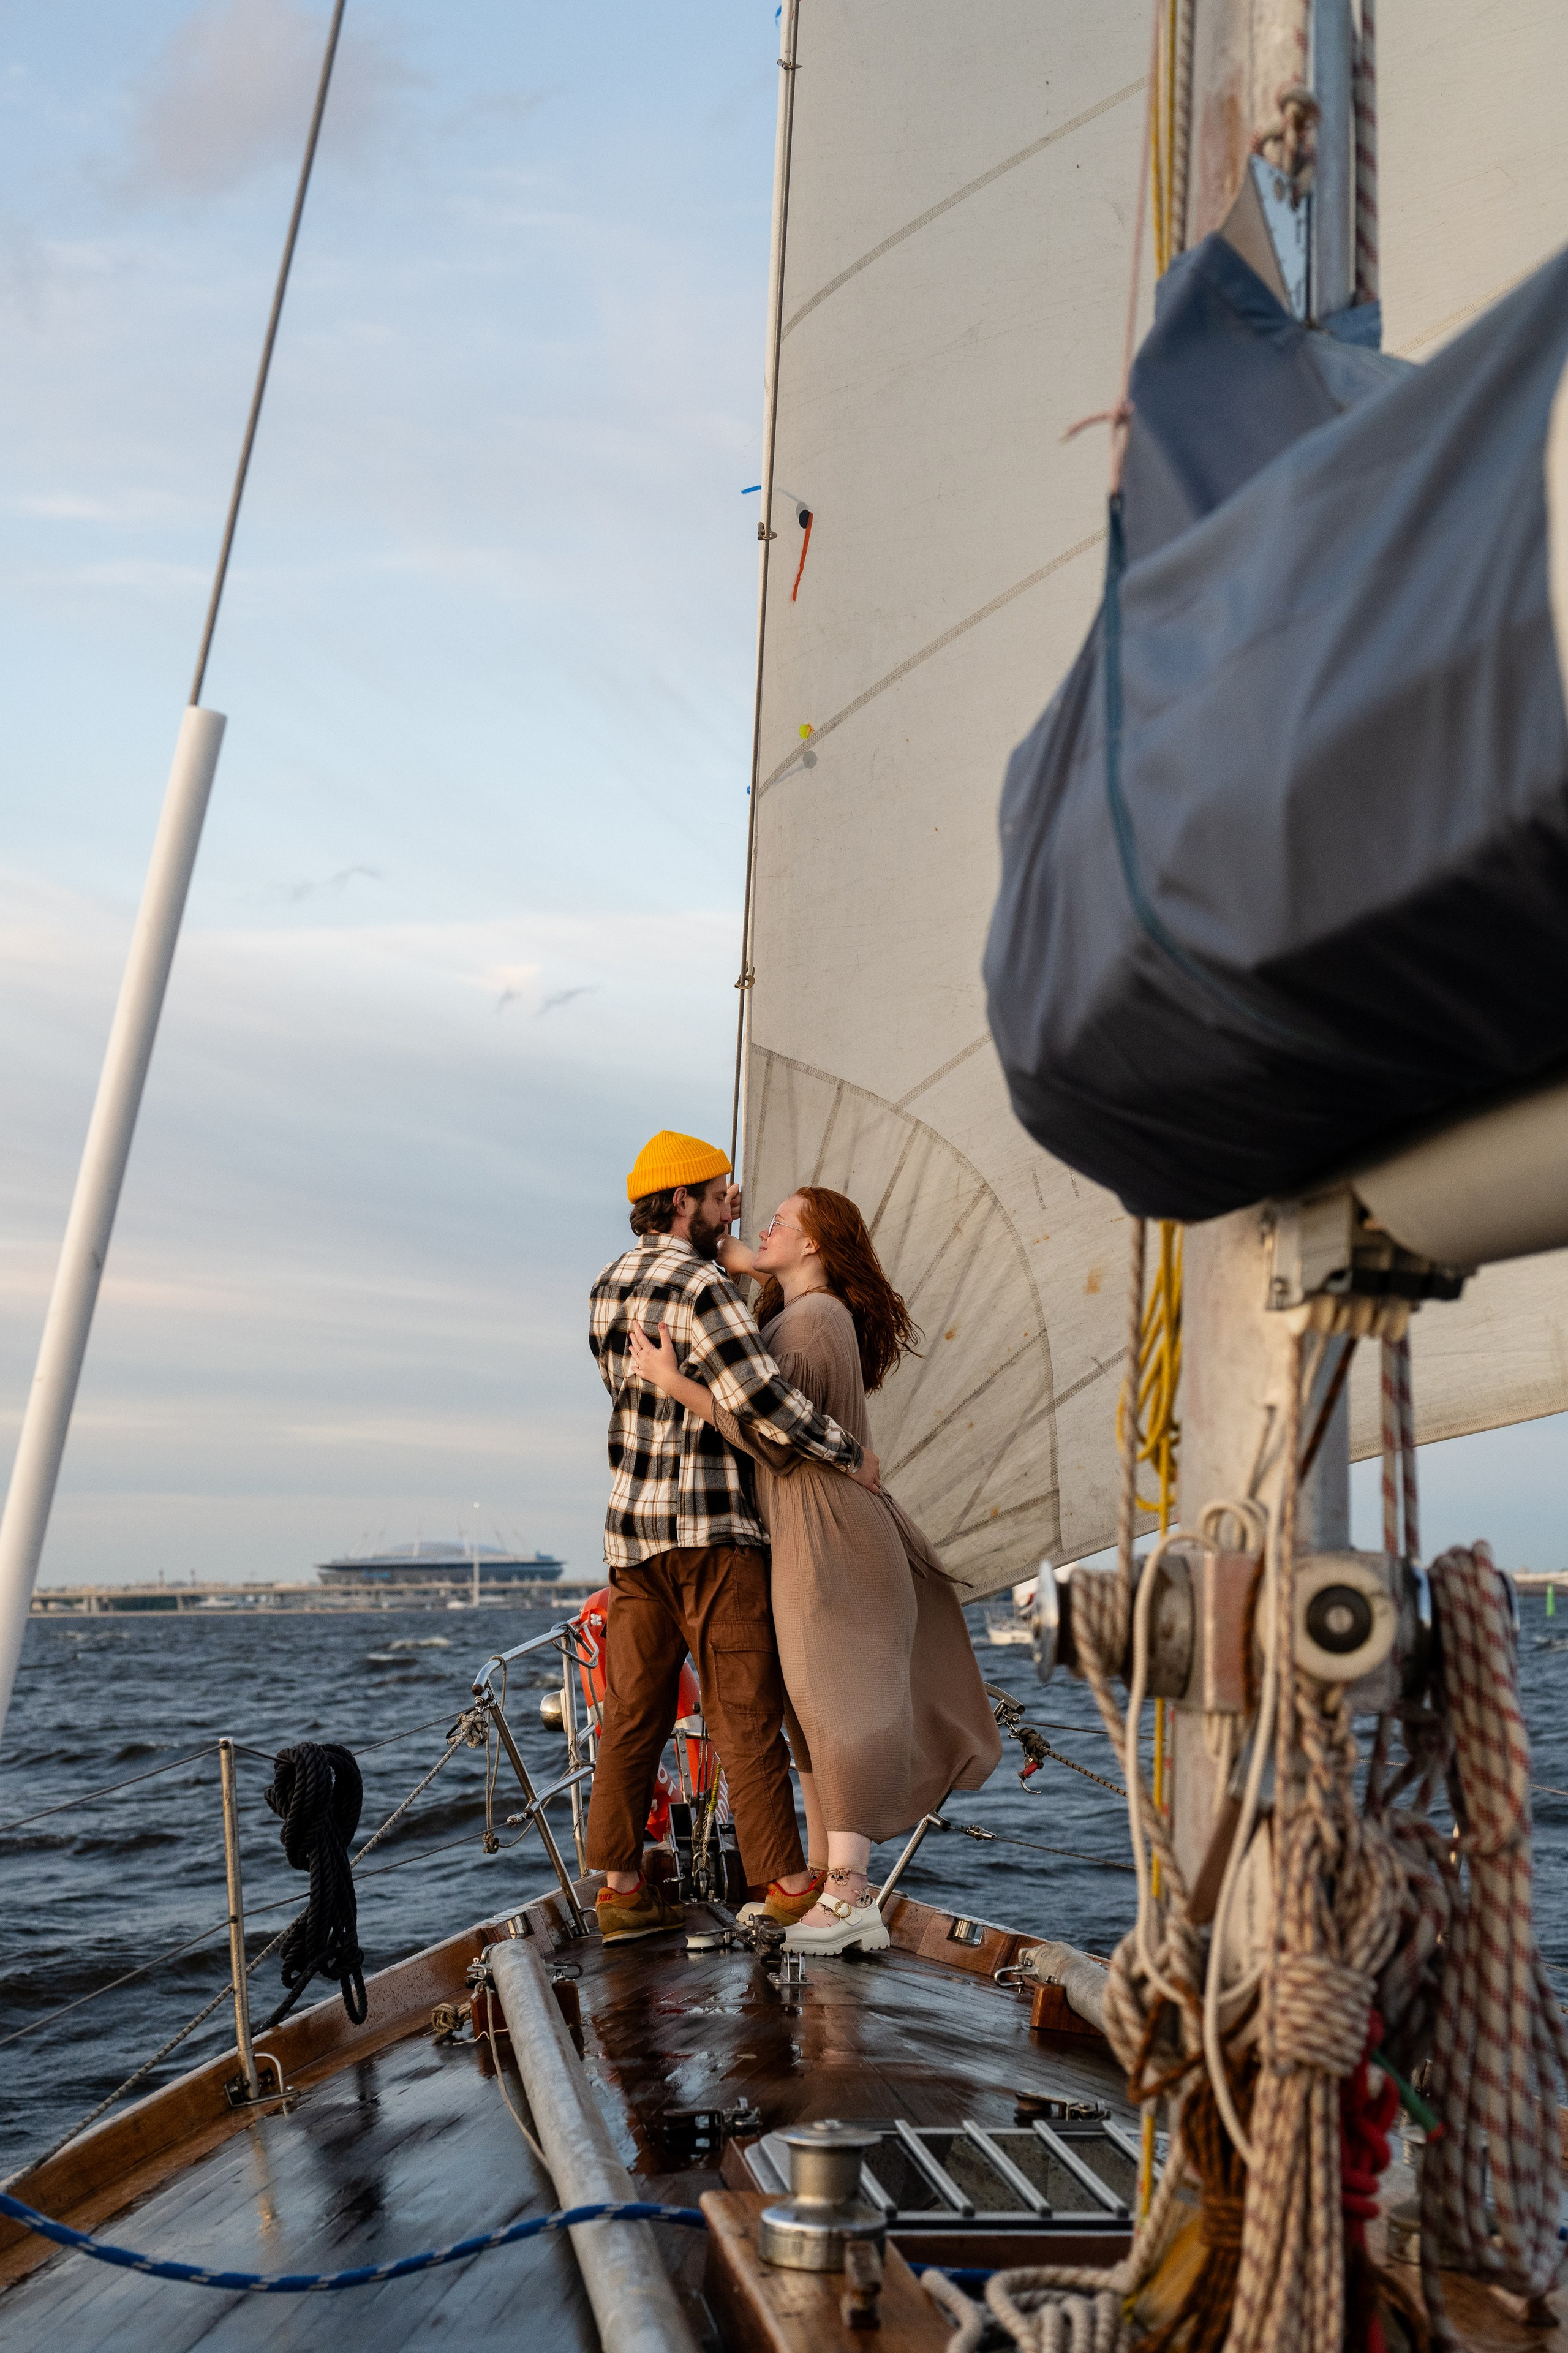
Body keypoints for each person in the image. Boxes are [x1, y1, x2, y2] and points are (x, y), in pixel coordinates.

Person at [630, 1184, 1002, 1955]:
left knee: (842, 1709)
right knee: (804, 1716)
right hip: (805, 1532)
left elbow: (772, 1435)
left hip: (832, 1535)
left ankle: (849, 1898)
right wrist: (713, 1218)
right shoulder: (790, 1312)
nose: (762, 1226)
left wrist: (675, 1386)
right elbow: (731, 1256)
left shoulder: (813, 1318)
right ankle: (820, 1889)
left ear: (813, 1246)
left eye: (780, 1222)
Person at [584, 1131, 881, 1945]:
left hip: (631, 1538)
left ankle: (618, 1889)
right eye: (720, 1195)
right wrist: (851, 1453)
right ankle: (787, 1884)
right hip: (713, 1533)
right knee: (744, 1709)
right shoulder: (699, 1287)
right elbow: (765, 1404)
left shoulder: (606, 1287)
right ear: (684, 1202)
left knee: (632, 1714)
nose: (733, 1206)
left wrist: (724, 1238)